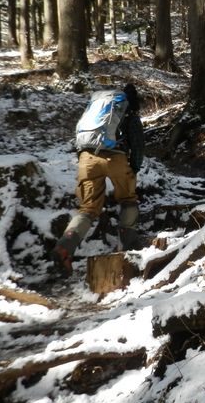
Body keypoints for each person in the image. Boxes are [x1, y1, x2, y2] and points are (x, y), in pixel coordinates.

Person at [50, 83, 145, 275]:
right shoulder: (130, 116)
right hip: (115, 157)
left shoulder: (99, 111)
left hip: (86, 157)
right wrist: (133, 169)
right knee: (128, 200)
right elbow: (138, 146)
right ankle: (129, 248)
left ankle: (65, 246)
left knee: (88, 209)